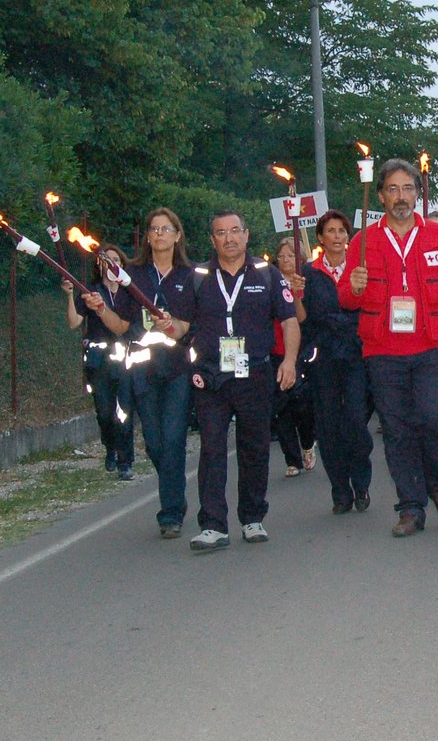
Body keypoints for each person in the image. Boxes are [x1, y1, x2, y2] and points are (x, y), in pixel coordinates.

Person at [338, 158, 438, 538]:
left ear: (418, 194)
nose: (401, 197)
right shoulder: (363, 241)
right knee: (398, 430)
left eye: (408, 189)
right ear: (381, 195)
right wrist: (353, 285)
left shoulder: (436, 237)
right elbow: (347, 301)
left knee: (434, 418)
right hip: (383, 350)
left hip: (432, 345)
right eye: (393, 189)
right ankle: (410, 506)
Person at [186, 211, 300, 551]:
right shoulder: (198, 277)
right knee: (212, 447)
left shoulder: (268, 275)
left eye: (235, 231)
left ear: (247, 235)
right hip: (211, 376)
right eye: (221, 232)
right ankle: (213, 525)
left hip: (255, 372)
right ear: (212, 240)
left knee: (254, 446)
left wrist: (290, 361)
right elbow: (180, 325)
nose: (229, 238)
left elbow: (289, 321)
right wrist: (167, 326)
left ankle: (252, 517)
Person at [125, 207, 197, 538]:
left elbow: (190, 325)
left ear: (177, 235)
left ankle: (171, 512)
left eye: (166, 229)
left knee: (173, 439)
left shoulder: (189, 275)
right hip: (143, 366)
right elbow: (122, 322)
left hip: (177, 367)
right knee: (154, 443)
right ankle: (173, 485)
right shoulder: (134, 274)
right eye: (154, 229)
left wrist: (174, 326)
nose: (159, 234)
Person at [297, 211, 374, 514]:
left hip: (356, 353)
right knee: (328, 424)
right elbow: (303, 320)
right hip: (324, 354)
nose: (338, 236)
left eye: (343, 231)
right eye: (331, 231)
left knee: (355, 418)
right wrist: (296, 295)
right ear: (320, 237)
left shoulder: (360, 270)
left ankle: (361, 481)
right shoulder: (309, 273)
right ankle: (340, 489)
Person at [62, 243, 139, 481]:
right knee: (105, 411)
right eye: (106, 260)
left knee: (124, 411)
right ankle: (111, 449)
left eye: (115, 259)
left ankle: (125, 461)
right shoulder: (90, 292)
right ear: (100, 265)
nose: (111, 263)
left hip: (125, 359)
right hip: (99, 360)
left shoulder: (129, 293)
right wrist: (67, 295)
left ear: (122, 265)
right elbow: (75, 322)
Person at [272, 236, 318, 478]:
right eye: (282, 256)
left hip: (300, 350)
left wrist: (296, 294)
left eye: (290, 255)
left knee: (301, 403)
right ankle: (292, 459)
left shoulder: (305, 282)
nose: (286, 260)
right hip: (274, 350)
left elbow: (302, 319)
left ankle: (308, 443)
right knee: (281, 407)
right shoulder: (270, 281)